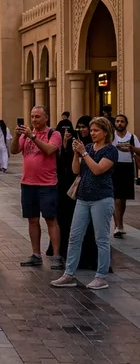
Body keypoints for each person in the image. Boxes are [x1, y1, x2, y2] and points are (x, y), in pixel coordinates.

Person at [51, 118, 119, 290]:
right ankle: (69, 274)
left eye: (96, 130)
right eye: (92, 130)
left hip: (102, 199)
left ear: (105, 132)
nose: (93, 133)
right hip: (82, 198)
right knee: (74, 237)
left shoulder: (110, 150)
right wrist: (76, 154)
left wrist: (85, 154)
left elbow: (97, 170)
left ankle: (101, 276)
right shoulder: (88, 148)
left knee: (101, 239)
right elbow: (76, 171)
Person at [11, 105, 64, 269]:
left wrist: (32, 137)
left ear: (46, 118)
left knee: (51, 220)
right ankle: (36, 254)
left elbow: (49, 150)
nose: (34, 120)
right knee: (32, 220)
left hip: (47, 184)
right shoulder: (25, 135)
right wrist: (16, 136)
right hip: (28, 184)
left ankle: (56, 255)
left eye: (38, 117)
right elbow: (13, 150)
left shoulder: (53, 134)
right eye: (32, 116)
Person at [48, 116, 103, 270]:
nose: (86, 131)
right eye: (84, 128)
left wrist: (83, 153)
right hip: (76, 190)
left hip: (97, 193)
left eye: (92, 129)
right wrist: (70, 149)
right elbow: (73, 168)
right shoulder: (80, 145)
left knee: (98, 233)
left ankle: (98, 267)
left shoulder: (103, 148)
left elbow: (98, 169)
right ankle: (71, 264)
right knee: (74, 229)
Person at [111, 114, 139, 237]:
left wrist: (131, 148)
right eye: (117, 121)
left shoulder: (132, 137)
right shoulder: (112, 137)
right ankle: (118, 226)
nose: (119, 123)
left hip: (127, 168)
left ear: (125, 123)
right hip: (114, 167)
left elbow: (139, 150)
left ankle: (119, 222)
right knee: (116, 198)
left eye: (122, 121)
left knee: (123, 200)